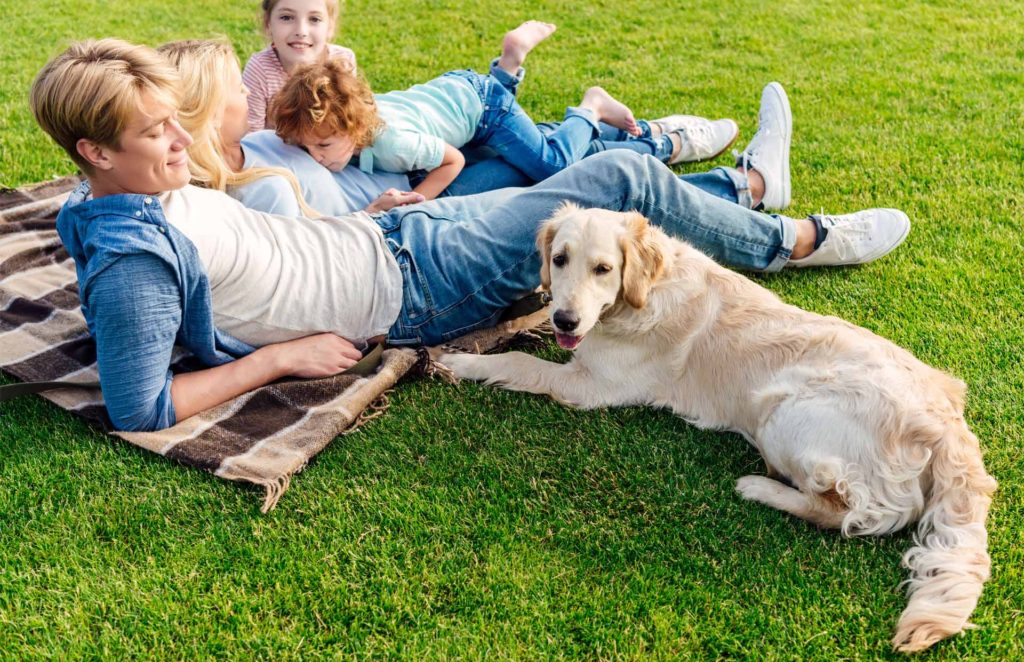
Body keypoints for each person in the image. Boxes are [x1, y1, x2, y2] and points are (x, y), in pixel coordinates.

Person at [29, 39, 910, 432]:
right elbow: (137, 406)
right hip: (412, 287)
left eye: (174, 122)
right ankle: (791, 232)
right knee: (616, 183)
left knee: (523, 166)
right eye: (157, 133)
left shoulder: (115, 196)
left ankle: (725, 179)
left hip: (394, 237)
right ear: (95, 151)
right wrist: (276, 360)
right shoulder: (130, 260)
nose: (184, 140)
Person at [161, 38, 742, 216]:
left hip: (438, 144)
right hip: (414, 201)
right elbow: (310, 250)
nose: (249, 89)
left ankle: (631, 132)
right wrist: (381, 213)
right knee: (547, 180)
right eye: (236, 89)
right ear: (210, 112)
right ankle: (695, 166)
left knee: (548, 165)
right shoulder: (238, 194)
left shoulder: (259, 141)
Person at [272, 21, 717, 199]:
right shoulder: (353, 124)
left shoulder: (392, 144)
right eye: (309, 150)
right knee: (515, 143)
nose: (319, 158)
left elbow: (454, 159)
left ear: (353, 127)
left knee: (551, 163)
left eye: (324, 146)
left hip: (483, 110)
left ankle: (590, 106)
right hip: (459, 96)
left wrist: (416, 200)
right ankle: (509, 64)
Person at [243, 0, 356, 132]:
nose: (301, 31)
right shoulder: (259, 69)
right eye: (286, 17)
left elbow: (349, 123)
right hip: (275, 150)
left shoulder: (343, 61)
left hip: (328, 150)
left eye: (314, 19)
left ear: (330, 27)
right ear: (268, 23)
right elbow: (250, 138)